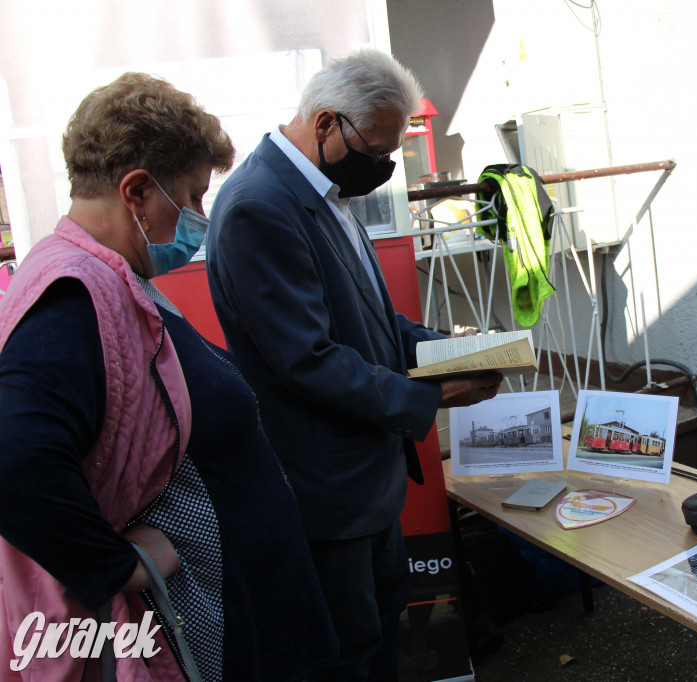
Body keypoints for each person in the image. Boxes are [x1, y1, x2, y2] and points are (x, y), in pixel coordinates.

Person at [0, 73, 338, 680]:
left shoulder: (113, 277)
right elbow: (13, 459)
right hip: (206, 626)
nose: (199, 217)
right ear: (136, 192)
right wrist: (116, 566)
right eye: (192, 196)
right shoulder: (73, 296)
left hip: (247, 614)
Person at [204, 48, 501, 682]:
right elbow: (308, 360)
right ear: (326, 124)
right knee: (348, 654)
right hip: (325, 492)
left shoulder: (324, 191)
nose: (384, 167)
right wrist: (434, 395)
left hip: (365, 483)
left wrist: (457, 350)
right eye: (378, 150)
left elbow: (373, 322)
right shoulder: (260, 204)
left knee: (380, 632)